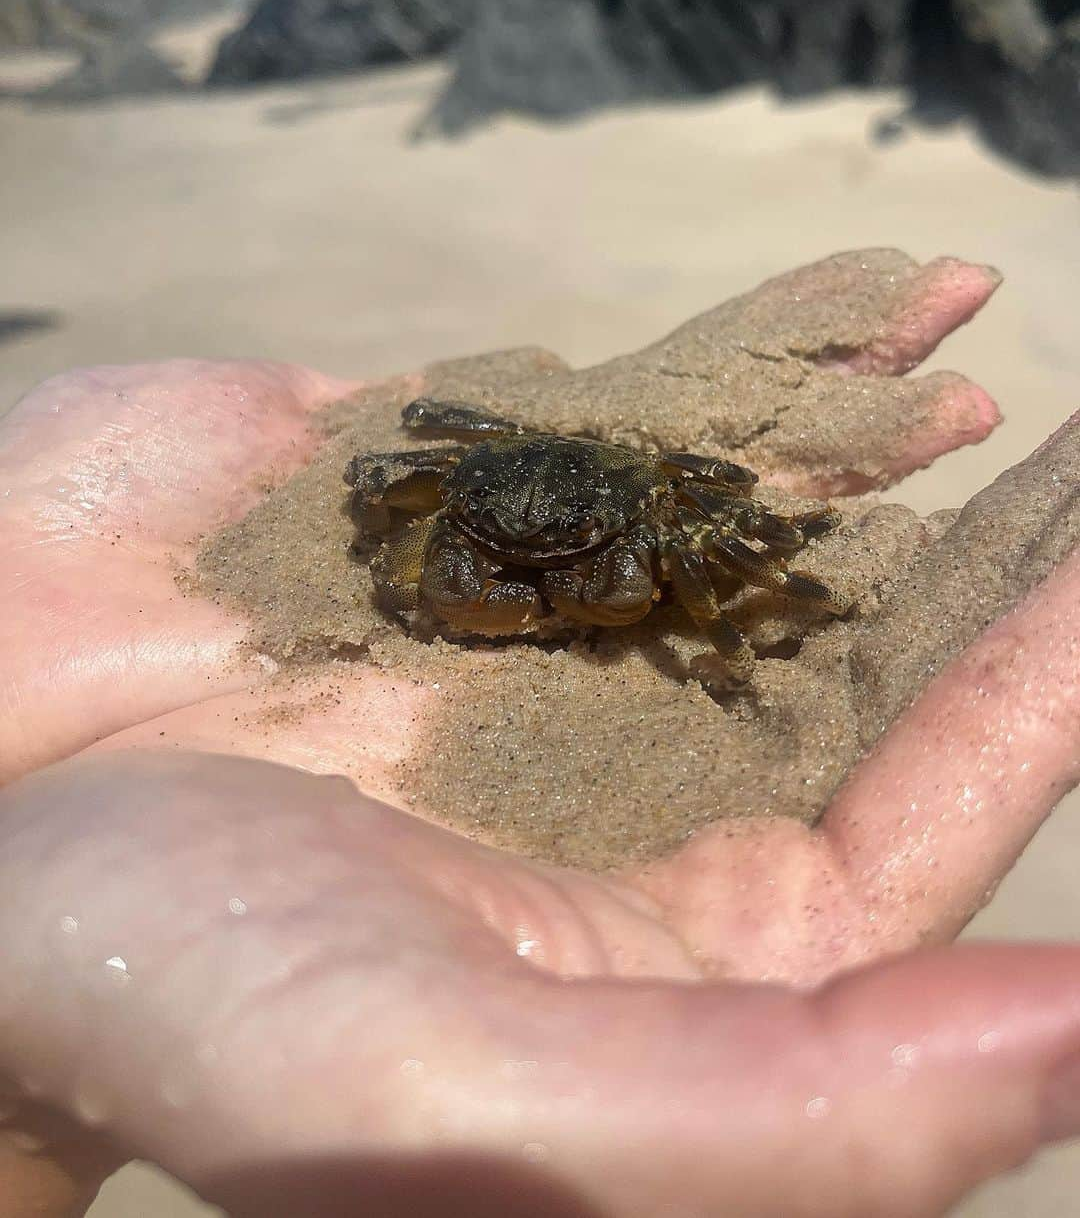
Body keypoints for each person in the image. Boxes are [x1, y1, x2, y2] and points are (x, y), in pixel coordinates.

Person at [2, 257, 1079, 1218]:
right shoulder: (462, 490)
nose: (521, 562)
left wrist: (769, 577)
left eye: (552, 552)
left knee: (720, 563)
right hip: (503, 476)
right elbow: (387, 495)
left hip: (624, 501)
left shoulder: (652, 504)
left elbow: (697, 549)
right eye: (491, 539)